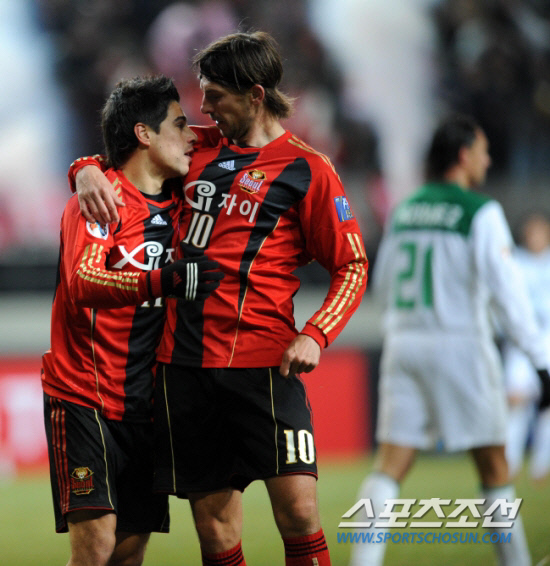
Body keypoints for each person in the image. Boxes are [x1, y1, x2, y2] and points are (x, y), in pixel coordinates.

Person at [69, 31, 368, 566]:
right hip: (183, 371)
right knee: (215, 530)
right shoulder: (200, 146)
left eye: (214, 96)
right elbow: (131, 151)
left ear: (255, 95)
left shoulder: (309, 169)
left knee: (300, 516)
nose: (203, 108)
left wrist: (317, 334)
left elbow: (353, 264)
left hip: (266, 368)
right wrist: (84, 169)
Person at [350, 114, 550, 566]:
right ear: (463, 156)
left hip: (404, 345)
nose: (488, 160)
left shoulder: (405, 209)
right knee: (495, 466)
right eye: (482, 151)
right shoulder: (480, 211)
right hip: (460, 344)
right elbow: (509, 294)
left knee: (390, 464)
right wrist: (540, 360)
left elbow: (383, 284)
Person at [42, 75, 223, 566]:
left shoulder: (183, 201)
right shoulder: (100, 200)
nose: (191, 135)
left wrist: (83, 164)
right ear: (144, 134)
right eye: (179, 124)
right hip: (83, 394)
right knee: (96, 546)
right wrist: (161, 281)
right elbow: (82, 282)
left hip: (146, 404)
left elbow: (236, 133)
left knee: (128, 551)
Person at [502, 212, 550, 483]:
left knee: (547, 406)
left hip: (548, 338)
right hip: (522, 340)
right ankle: (511, 462)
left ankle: (542, 465)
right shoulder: (516, 261)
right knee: (517, 401)